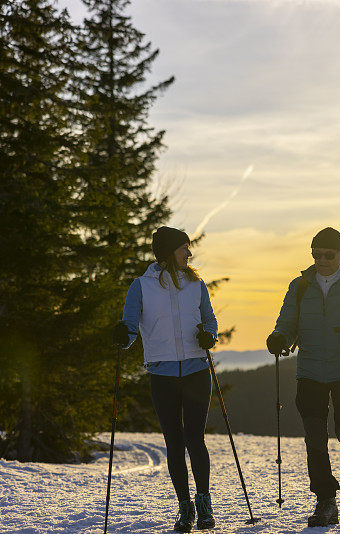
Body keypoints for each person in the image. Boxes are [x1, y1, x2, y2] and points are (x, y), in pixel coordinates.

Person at [266, 227, 340, 527]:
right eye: (316, 254)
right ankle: (325, 500)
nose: (321, 259)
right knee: (315, 439)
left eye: (328, 254)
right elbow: (287, 322)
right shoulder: (300, 286)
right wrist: (279, 338)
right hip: (309, 371)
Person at [114, 226, 218, 533]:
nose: (189, 253)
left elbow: (210, 320)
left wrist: (208, 336)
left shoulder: (196, 284)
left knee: (195, 439)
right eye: (184, 248)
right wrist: (123, 336)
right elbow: (130, 327)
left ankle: (204, 504)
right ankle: (185, 508)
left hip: (197, 369)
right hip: (162, 374)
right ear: (168, 252)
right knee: (174, 442)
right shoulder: (141, 286)